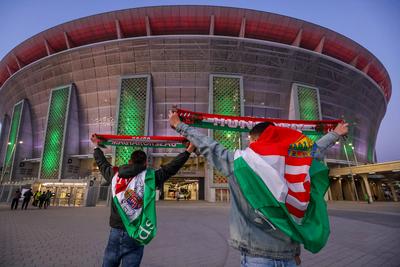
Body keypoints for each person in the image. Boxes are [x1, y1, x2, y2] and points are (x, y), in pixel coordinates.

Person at [169, 110, 348, 267]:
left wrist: (179, 125)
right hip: (290, 257)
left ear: (254, 139)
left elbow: (210, 146)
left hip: (257, 256)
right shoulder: (294, 161)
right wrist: (336, 133)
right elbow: (314, 150)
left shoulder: (240, 164)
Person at [90, 134, 196, 267]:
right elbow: (171, 168)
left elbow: (102, 163)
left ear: (129, 161)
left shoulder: (115, 176)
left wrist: (96, 146)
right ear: (145, 163)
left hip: (115, 232)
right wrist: (188, 151)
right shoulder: (151, 178)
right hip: (136, 233)